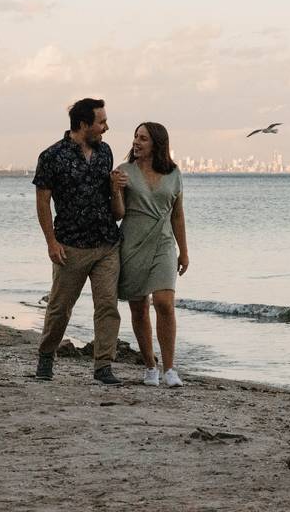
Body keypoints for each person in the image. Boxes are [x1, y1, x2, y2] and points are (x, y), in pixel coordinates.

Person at [32, 98, 124, 386]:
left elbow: (110, 198)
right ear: (83, 124)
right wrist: (51, 242)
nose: (106, 127)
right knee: (60, 308)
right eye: (101, 122)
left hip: (107, 243)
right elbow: (43, 202)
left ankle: (103, 366)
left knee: (108, 305)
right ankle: (46, 357)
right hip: (70, 245)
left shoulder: (105, 152)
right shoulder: (51, 156)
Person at [111, 122, 189, 387]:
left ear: (156, 143)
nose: (136, 142)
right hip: (132, 241)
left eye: (143, 138)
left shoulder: (174, 173)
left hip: (165, 242)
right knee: (139, 307)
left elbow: (178, 214)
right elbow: (118, 214)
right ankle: (150, 367)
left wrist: (184, 251)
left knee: (164, 303)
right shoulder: (124, 171)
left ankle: (170, 369)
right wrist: (115, 189)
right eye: (135, 137)